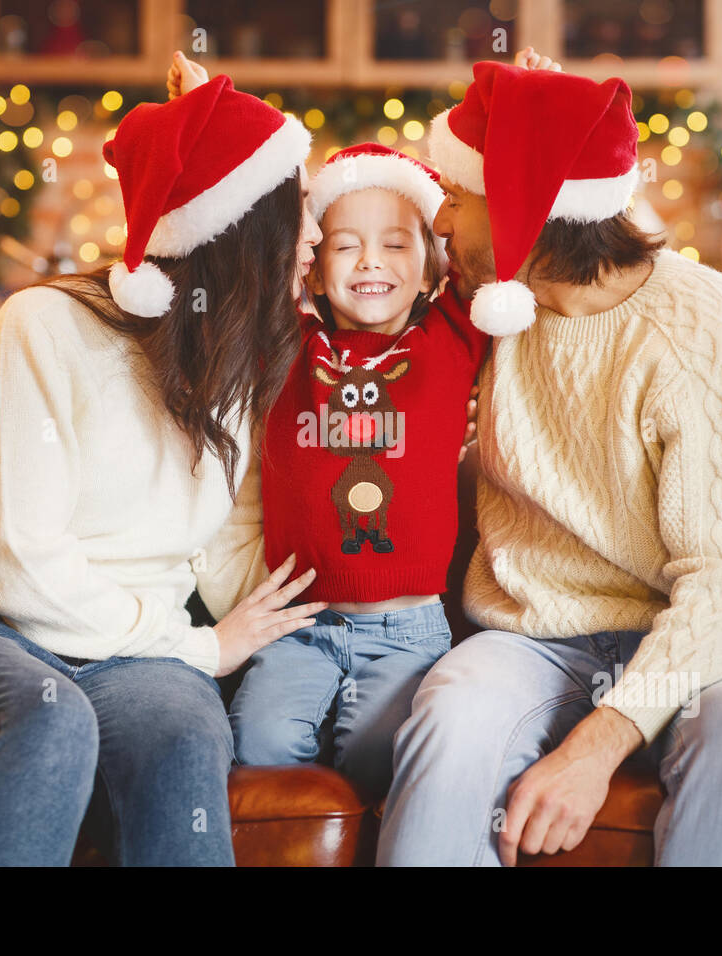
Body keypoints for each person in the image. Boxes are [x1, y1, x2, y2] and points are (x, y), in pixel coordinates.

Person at [0, 70, 327, 866]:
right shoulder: (45, 325)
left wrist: (345, 627)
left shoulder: (242, 362)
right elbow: (17, 562)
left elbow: (223, 541)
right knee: (51, 719)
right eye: (302, 213)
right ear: (245, 229)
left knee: (182, 738)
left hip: (132, 653)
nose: (316, 238)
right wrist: (198, 649)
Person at [377, 59, 722, 866]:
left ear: (524, 206)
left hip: (712, 643)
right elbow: (348, 298)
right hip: (538, 637)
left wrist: (596, 747)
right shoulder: (496, 306)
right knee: (452, 710)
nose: (440, 218)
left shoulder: (699, 331)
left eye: (461, 195)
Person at [226, 142, 488, 801]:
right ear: (311, 268)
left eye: (398, 244)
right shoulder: (286, 344)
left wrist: (519, 120)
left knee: (384, 764)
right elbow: (249, 247)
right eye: (346, 246)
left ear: (434, 266)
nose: (371, 260)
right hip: (298, 624)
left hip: (408, 632)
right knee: (259, 751)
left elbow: (501, 241)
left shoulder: (452, 339)